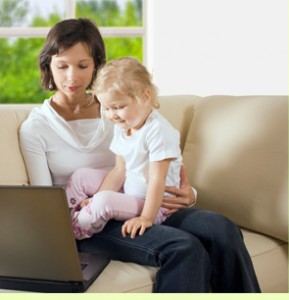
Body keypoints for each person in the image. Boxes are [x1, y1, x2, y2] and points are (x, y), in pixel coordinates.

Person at [19, 18, 261, 292]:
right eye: (62, 66)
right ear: (48, 65)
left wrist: (188, 194)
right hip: (91, 221)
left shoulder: (119, 107)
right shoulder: (36, 127)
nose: (72, 77)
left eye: (83, 65)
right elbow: (44, 202)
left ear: (96, 65)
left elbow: (152, 160)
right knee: (183, 248)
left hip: (144, 199)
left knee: (222, 229)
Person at [66, 56, 183, 240]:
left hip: (155, 205)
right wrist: (97, 196)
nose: (112, 115)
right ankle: (68, 216)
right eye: (106, 108)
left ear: (145, 97)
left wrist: (146, 217)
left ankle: (74, 233)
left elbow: (157, 180)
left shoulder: (158, 131)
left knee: (104, 201)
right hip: (129, 191)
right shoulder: (124, 126)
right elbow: (119, 170)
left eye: (118, 107)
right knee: (81, 176)